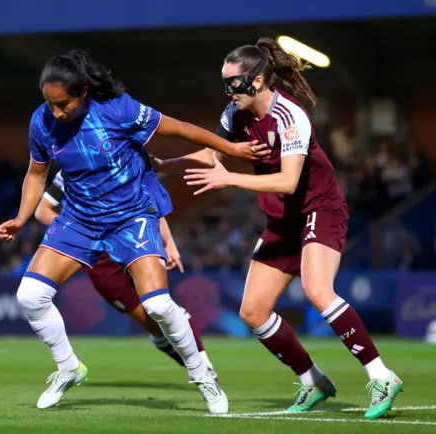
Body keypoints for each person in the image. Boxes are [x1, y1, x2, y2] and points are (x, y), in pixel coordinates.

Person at [0, 49, 268, 413]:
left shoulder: (118, 109)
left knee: (157, 305)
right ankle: (68, 367)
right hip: (79, 219)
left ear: (84, 93)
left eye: (63, 104)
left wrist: (230, 147)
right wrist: (21, 216)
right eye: (49, 103)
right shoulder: (42, 122)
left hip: (131, 216)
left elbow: (182, 129)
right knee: (29, 296)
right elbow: (35, 173)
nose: (56, 112)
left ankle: (202, 375)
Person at [156, 37, 403, 420]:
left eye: (233, 83)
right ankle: (313, 381)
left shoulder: (290, 117)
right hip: (282, 220)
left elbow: (288, 182)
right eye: (224, 83)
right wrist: (160, 163)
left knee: (318, 290)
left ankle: (381, 375)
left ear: (256, 81)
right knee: (253, 312)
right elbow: (210, 154)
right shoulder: (234, 115)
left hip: (318, 208)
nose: (228, 91)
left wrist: (230, 180)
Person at [35, 170, 219, 379]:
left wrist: (170, 244)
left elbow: (150, 203)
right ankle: (193, 364)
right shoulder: (70, 166)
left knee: (164, 308)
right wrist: (80, 232)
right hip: (102, 264)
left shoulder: (123, 158)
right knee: (153, 325)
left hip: (136, 244)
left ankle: (205, 369)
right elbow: (43, 211)